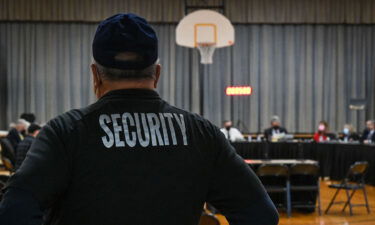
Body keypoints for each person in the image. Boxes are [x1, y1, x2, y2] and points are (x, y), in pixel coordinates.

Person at [0, 14, 278, 225]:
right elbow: (261, 215)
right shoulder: (201, 133)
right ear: (157, 73)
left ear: (95, 75)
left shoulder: (65, 132)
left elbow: (14, 210)